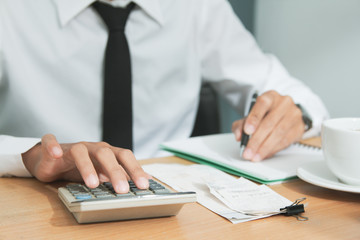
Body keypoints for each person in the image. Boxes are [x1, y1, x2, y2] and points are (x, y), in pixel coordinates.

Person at [0, 0, 329, 193]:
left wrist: (295, 114)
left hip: (171, 200)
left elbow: (294, 95)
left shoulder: (196, 7)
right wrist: (25, 156)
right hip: (39, 198)